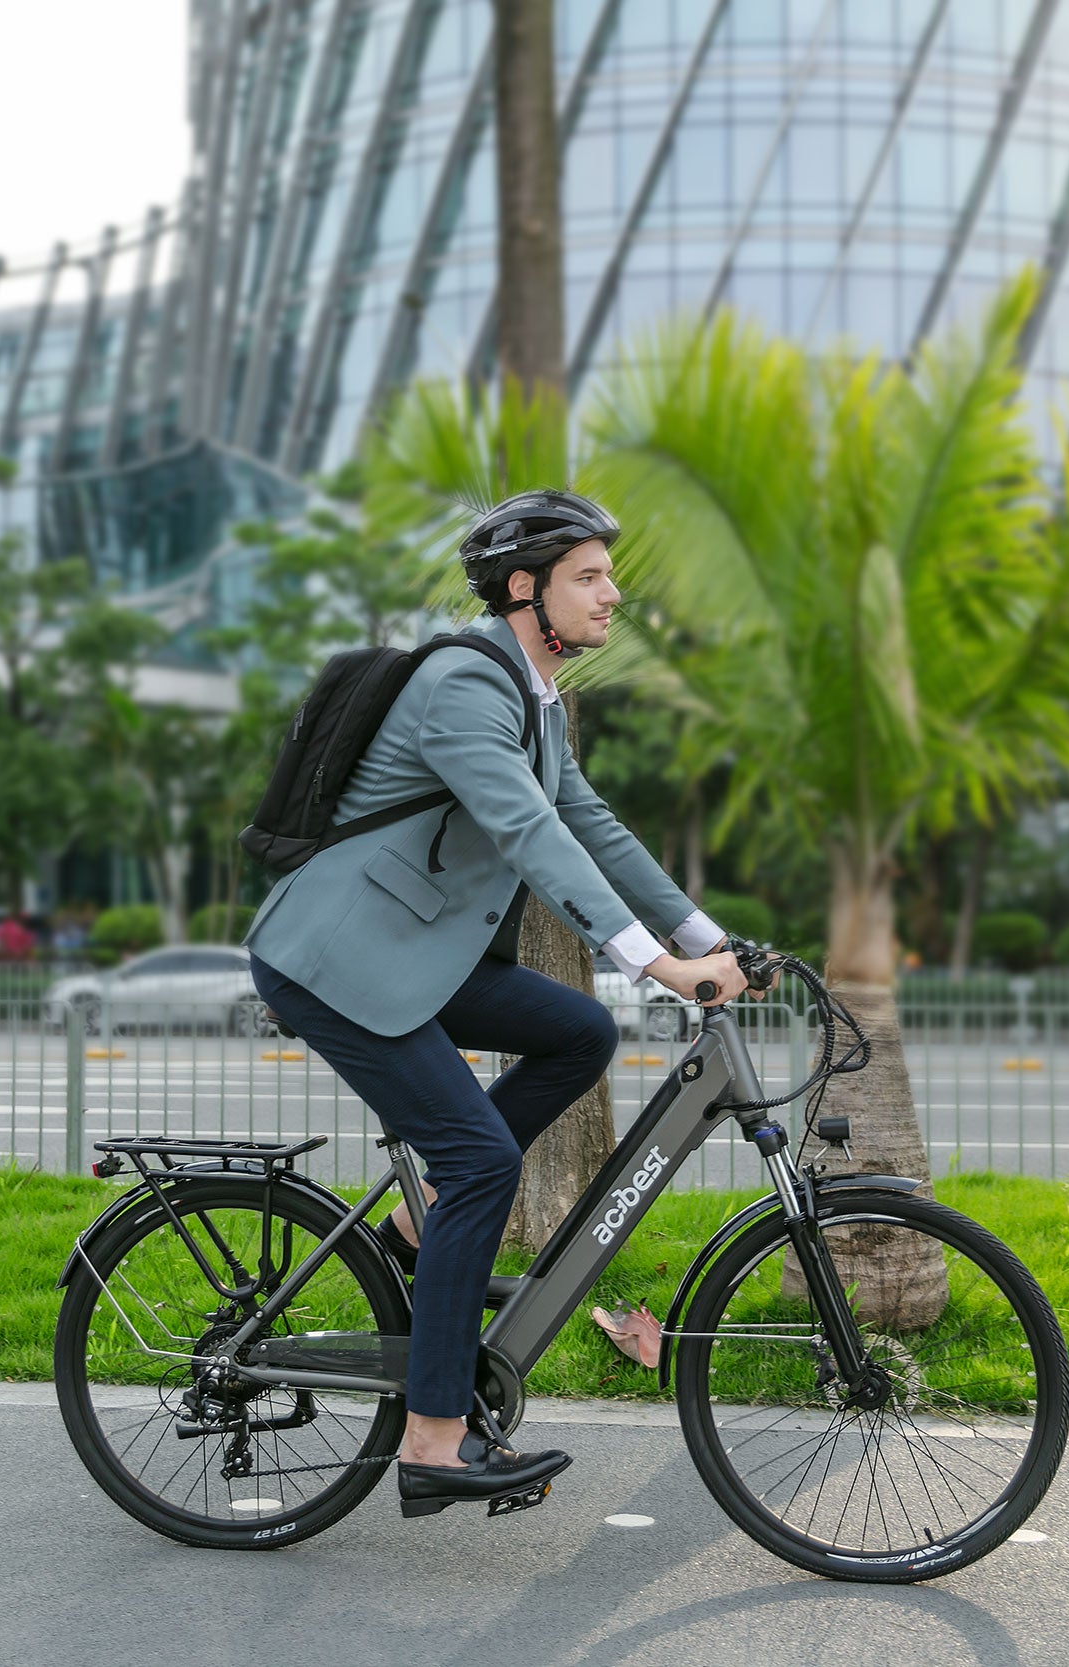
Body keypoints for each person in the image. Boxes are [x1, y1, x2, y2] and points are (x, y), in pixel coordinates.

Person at [245, 488, 767, 1517]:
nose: (613, 593)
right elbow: (531, 833)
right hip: (338, 962)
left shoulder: (530, 697)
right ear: (523, 587)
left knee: (578, 1032)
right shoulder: (461, 686)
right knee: (482, 1158)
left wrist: (709, 939)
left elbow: (594, 826)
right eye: (589, 575)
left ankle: (412, 1228)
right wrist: (653, 964)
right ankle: (434, 1442)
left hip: (414, 955)